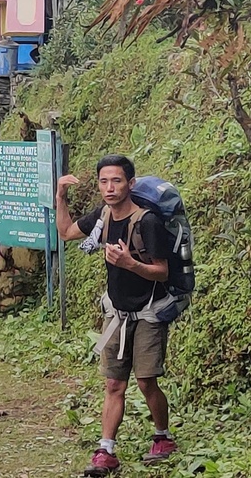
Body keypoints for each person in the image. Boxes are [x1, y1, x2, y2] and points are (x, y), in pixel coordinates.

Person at [56, 154, 179, 477]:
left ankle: (163, 438)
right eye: (104, 181)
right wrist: (60, 197)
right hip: (117, 312)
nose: (109, 188)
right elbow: (67, 232)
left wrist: (130, 264)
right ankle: (106, 451)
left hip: (149, 313)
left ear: (130, 183)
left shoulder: (147, 221)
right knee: (113, 384)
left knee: (146, 381)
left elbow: (162, 272)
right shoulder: (103, 216)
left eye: (117, 181)